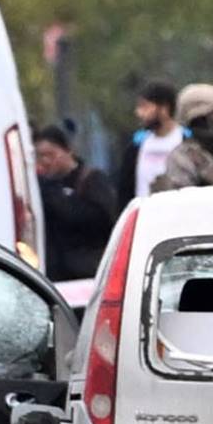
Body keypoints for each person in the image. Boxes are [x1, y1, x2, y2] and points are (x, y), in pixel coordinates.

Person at [33, 124, 118, 281]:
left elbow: (102, 219)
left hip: (87, 271)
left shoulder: (91, 179)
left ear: (67, 151)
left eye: (50, 155)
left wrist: (59, 198)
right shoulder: (40, 186)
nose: (45, 162)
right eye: (40, 156)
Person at [117, 80, 189, 206]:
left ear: (164, 109)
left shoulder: (186, 141)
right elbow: (125, 190)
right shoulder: (137, 145)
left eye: (145, 106)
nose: (139, 113)